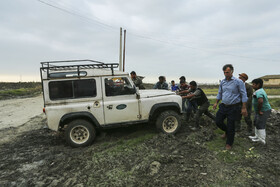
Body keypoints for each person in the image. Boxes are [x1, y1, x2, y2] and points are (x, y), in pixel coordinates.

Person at [213, 64, 248, 150]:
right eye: (224, 72)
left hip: (234, 107)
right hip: (223, 106)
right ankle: (227, 132)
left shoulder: (238, 82)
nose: (225, 74)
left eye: (227, 72)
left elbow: (244, 94)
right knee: (218, 121)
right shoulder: (223, 82)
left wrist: (243, 107)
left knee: (231, 125)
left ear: (232, 72)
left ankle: (229, 143)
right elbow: (220, 93)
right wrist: (216, 102)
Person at [249, 78, 271, 144]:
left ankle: (261, 140)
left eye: (253, 84)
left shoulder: (259, 92)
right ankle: (257, 136)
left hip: (263, 110)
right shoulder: (258, 91)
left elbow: (260, 101)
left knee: (261, 124)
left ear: (258, 85)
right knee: (256, 122)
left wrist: (259, 111)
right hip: (259, 110)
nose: (252, 85)